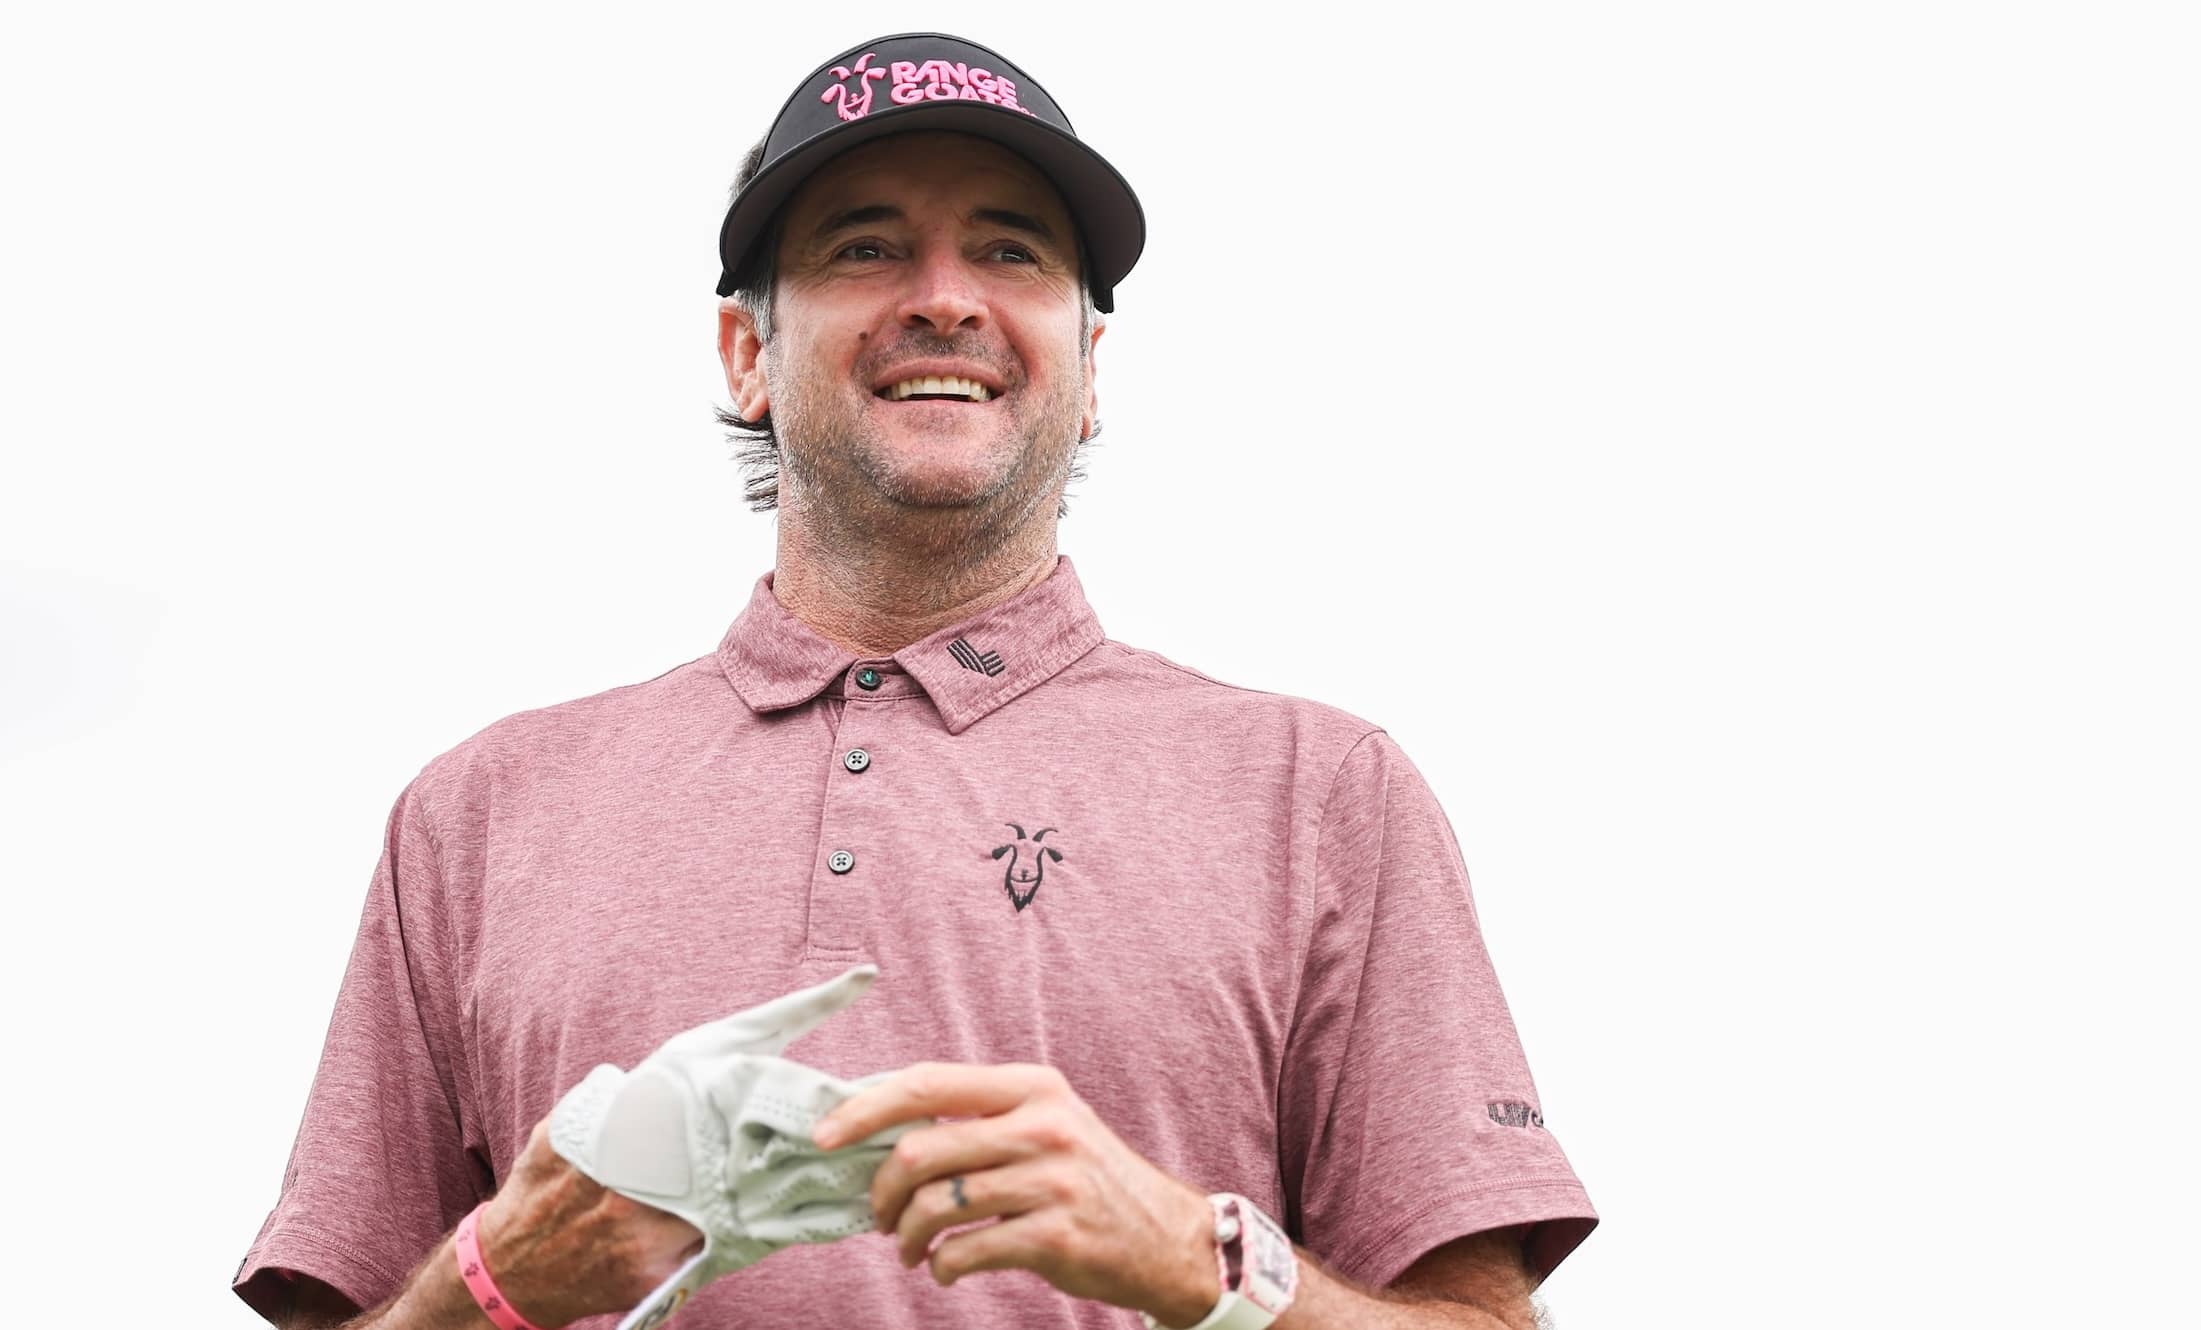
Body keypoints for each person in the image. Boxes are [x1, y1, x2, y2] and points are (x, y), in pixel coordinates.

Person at [232, 31, 1597, 1330]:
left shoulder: (1320, 792)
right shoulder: (476, 815)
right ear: (747, 355)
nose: (942, 294)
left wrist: (1202, 1260)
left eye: (1008, 248)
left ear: (1088, 369)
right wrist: (497, 1277)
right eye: (865, 245)